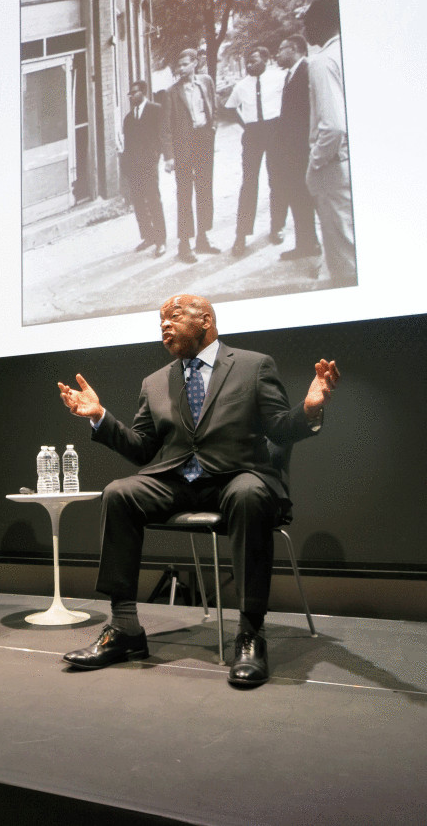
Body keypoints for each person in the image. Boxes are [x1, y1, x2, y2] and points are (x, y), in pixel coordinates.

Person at [58, 294, 339, 687]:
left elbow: (278, 427)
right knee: (119, 493)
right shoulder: (155, 382)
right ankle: (124, 629)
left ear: (205, 319)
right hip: (177, 482)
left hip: (236, 476)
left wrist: (309, 410)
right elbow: (142, 448)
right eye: (160, 322)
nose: (164, 326)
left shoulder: (253, 366)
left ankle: (250, 634)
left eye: (173, 317)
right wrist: (101, 418)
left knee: (248, 494)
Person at [303, 0, 357, 285]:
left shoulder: (322, 61)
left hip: (335, 167)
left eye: (308, 20)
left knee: (344, 262)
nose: (304, 28)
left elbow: (334, 126)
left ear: (323, 22)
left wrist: (315, 165)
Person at [225, 46, 288, 257]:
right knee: (249, 183)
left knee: (277, 181)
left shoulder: (280, 78)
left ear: (265, 59)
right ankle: (241, 235)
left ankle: (277, 226)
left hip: (276, 131)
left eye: (254, 60)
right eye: (247, 62)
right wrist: (246, 126)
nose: (249, 65)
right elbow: (230, 108)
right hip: (252, 134)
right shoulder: (241, 86)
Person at [160, 49, 220, 264]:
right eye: (179, 65)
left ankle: (203, 238)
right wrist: (169, 156)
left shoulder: (206, 82)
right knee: (184, 194)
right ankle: (184, 244)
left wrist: (213, 128)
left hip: (203, 140)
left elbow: (214, 104)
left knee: (205, 190)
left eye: (185, 64)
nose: (180, 68)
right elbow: (165, 127)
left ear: (195, 63)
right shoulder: (171, 92)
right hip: (183, 146)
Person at [275, 34, 322, 261]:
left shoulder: (306, 71)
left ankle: (309, 244)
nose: (277, 54)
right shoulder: (292, 74)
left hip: (302, 149)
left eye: (281, 49)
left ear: (293, 49)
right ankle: (306, 243)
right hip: (292, 150)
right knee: (297, 196)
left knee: (303, 196)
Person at [122, 80, 167, 257]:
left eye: (135, 92)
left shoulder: (156, 110)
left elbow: (163, 134)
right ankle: (148, 236)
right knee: (139, 202)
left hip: (149, 164)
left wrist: (158, 155)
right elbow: (127, 145)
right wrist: (126, 167)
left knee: (154, 200)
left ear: (144, 93)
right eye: (130, 94)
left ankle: (161, 240)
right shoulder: (128, 118)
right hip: (134, 167)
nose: (132, 96)